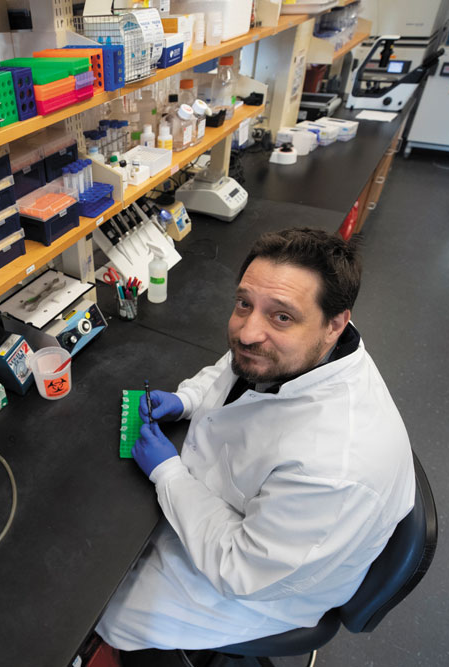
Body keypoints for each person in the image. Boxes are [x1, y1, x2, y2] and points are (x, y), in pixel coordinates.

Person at [96, 228, 416, 653]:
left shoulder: (335, 467)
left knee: (105, 611)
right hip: (243, 514)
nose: (247, 332)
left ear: (337, 323)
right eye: (244, 303)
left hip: (267, 588)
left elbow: (239, 569)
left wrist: (168, 473)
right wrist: (186, 399)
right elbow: (237, 367)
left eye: (281, 316)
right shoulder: (301, 352)